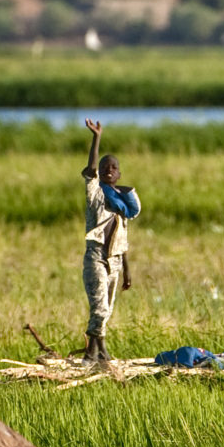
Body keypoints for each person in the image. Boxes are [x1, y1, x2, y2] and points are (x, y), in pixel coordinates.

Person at [79, 118, 141, 361]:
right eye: (105, 167)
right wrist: (97, 137)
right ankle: (100, 351)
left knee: (106, 311)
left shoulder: (122, 207)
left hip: (115, 261)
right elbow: (92, 170)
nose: (108, 169)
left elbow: (122, 242)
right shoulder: (96, 195)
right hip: (95, 257)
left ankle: (92, 354)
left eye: (113, 167)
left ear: (119, 174)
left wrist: (127, 271)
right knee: (100, 307)